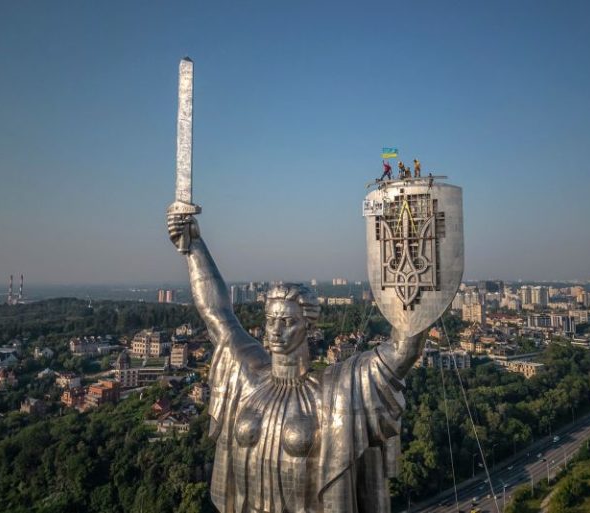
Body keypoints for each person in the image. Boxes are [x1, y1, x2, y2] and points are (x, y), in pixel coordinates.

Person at [167, 214, 423, 513]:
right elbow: (216, 312)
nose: (275, 331)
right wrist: (194, 246)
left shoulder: (336, 393)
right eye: (271, 321)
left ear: (309, 327)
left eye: (287, 321)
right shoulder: (247, 377)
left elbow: (403, 351)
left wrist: (410, 256)